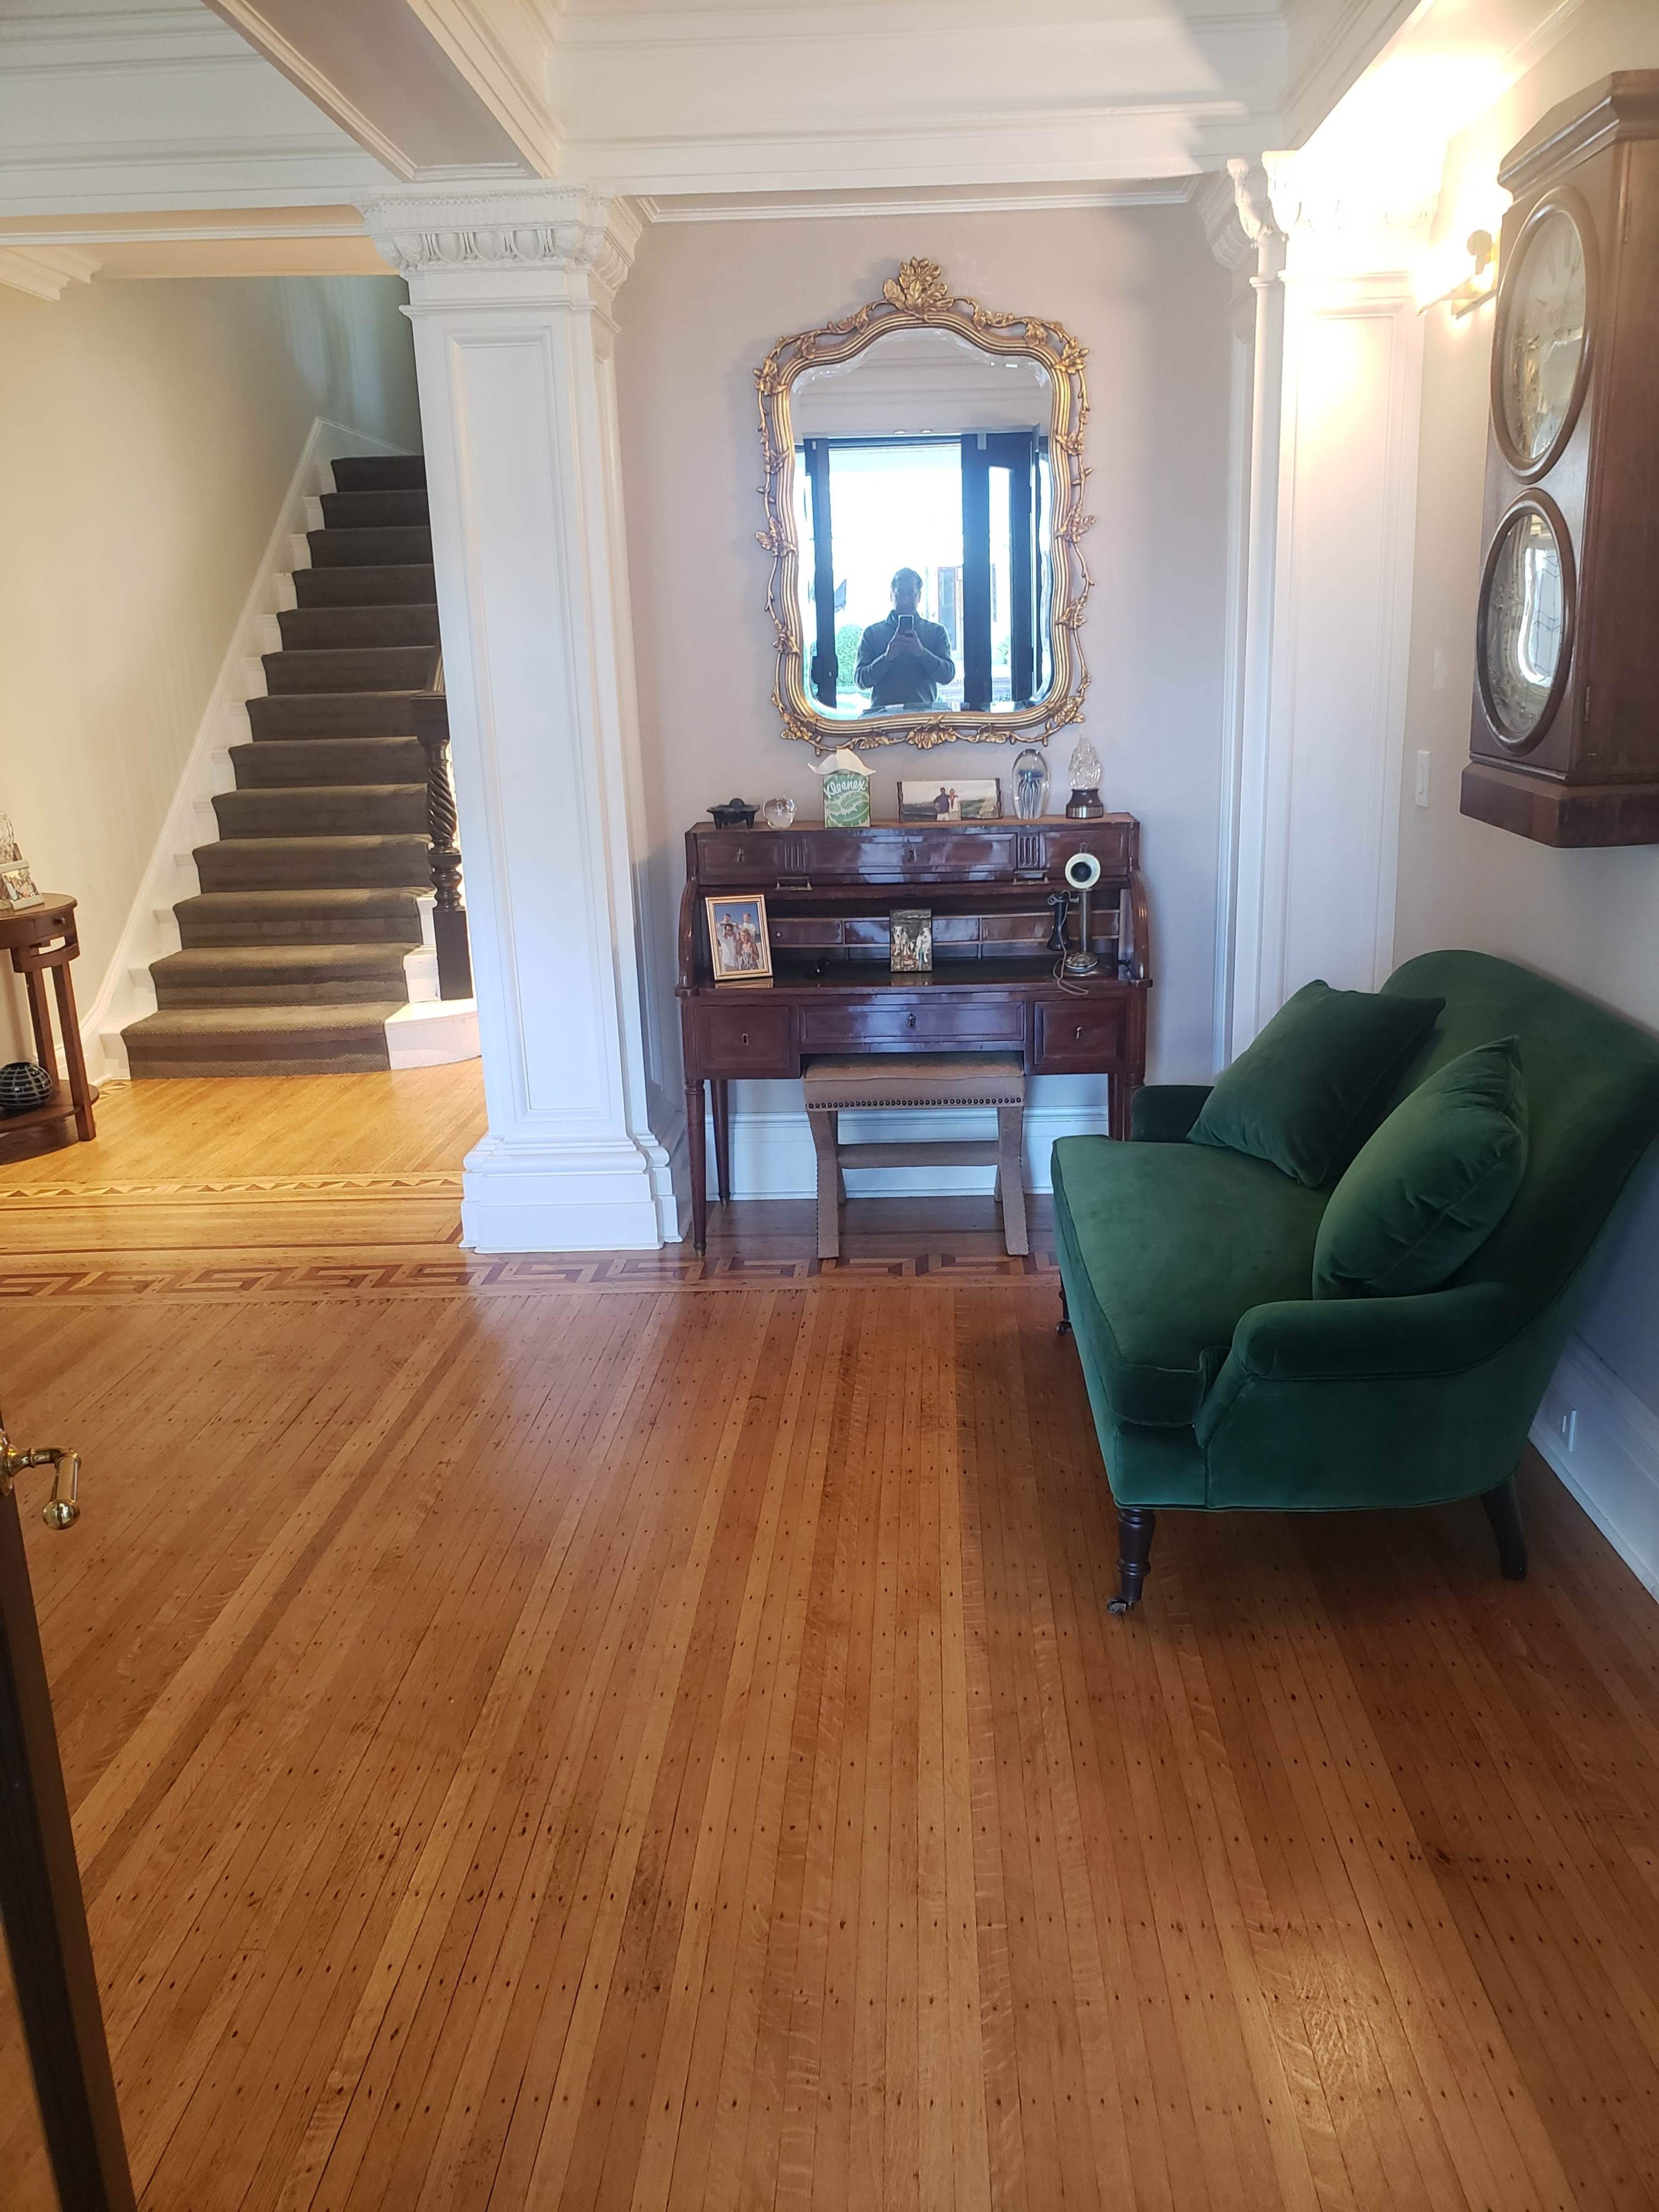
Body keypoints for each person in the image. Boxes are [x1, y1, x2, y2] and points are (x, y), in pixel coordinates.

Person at [855, 568, 955, 711]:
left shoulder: (936, 632)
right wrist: (886, 658)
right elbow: (860, 680)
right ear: (891, 595)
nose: (905, 600)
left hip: (923, 720)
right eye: (900, 594)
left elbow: (947, 676)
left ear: (919, 596)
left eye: (911, 594)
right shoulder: (872, 634)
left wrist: (922, 653)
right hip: (882, 721)